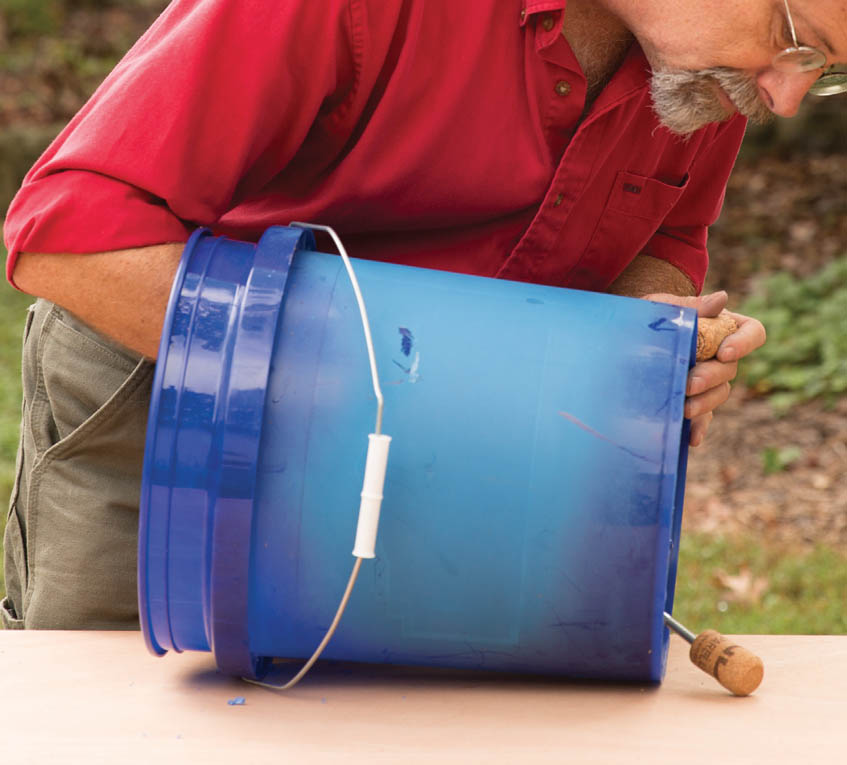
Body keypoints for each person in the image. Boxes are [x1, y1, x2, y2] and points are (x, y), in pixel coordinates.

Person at [3, 0, 841, 631]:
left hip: (445, 459)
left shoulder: (701, 74)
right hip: (179, 405)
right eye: (795, 40)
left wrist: (646, 351)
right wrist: (411, 388)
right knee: (117, 721)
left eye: (830, 68)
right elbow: (68, 233)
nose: (788, 95)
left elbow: (661, 238)